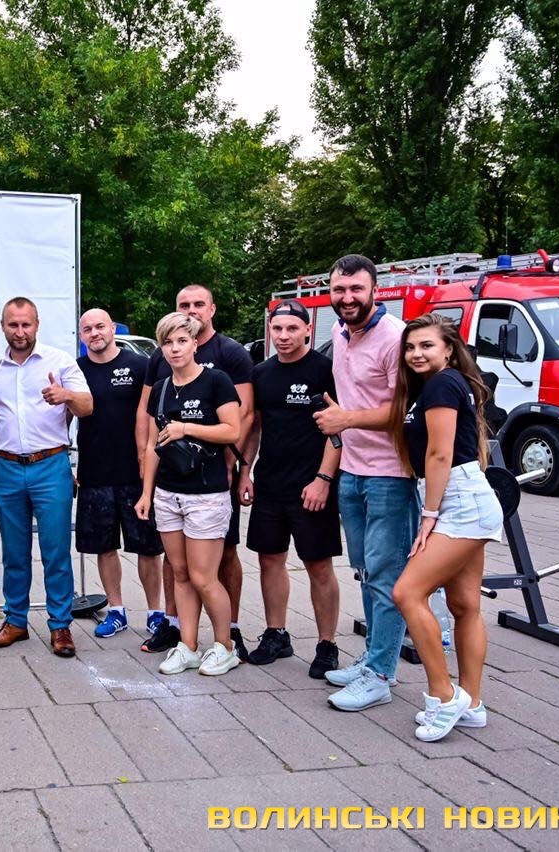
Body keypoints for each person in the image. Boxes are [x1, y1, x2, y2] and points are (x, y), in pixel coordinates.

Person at [389, 314, 502, 741]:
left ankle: (444, 694)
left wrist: (429, 516)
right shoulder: (438, 386)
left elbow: (440, 454)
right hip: (463, 496)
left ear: (449, 350)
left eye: (426, 346)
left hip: (458, 501)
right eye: (410, 347)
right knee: (464, 604)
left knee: (407, 592)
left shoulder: (441, 384)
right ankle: (472, 704)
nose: (416, 354)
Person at [313, 254, 419, 711]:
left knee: (385, 576)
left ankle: (379, 675)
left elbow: (405, 410)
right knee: (365, 570)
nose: (348, 298)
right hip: (352, 470)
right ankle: (375, 658)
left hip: (390, 475)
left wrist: (347, 419)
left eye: (356, 289)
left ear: (375, 289)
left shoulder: (395, 337)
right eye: (339, 290)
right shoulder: (341, 333)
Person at [0, 298, 93, 658]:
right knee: (14, 552)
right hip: (6, 468)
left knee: (56, 551)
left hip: (50, 466)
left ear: (37, 324)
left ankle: (60, 625)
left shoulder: (60, 361)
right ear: (3, 326)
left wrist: (66, 395)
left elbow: (87, 406)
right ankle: (15, 621)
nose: (20, 331)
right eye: (13, 325)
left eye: (26, 324)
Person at [137, 285, 254, 658]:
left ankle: (225, 645)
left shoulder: (216, 380)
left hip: (206, 493)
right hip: (168, 494)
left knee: (205, 577)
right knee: (181, 573)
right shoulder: (161, 388)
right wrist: (146, 493)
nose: (174, 348)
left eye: (181, 341)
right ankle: (187, 644)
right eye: (167, 342)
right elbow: (153, 444)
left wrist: (186, 428)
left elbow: (232, 430)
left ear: (194, 344)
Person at [238, 300, 342, 678]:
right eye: (277, 329)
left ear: (307, 330)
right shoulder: (261, 373)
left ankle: (327, 644)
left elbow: (337, 430)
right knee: (269, 560)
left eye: (292, 329)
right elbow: (255, 427)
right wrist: (245, 473)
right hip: (270, 484)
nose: (284, 336)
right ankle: (276, 634)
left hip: (311, 486)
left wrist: (323, 480)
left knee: (318, 565)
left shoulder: (324, 370)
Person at [75, 308, 165, 638]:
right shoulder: (76, 370)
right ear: (81, 335)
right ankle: (116, 610)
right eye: (88, 329)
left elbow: (154, 416)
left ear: (113, 328)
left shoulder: (140, 365)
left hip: (136, 473)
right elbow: (64, 418)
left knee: (148, 547)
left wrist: (151, 460)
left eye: (100, 326)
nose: (95, 333)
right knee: (104, 545)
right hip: (94, 471)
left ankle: (156, 612)